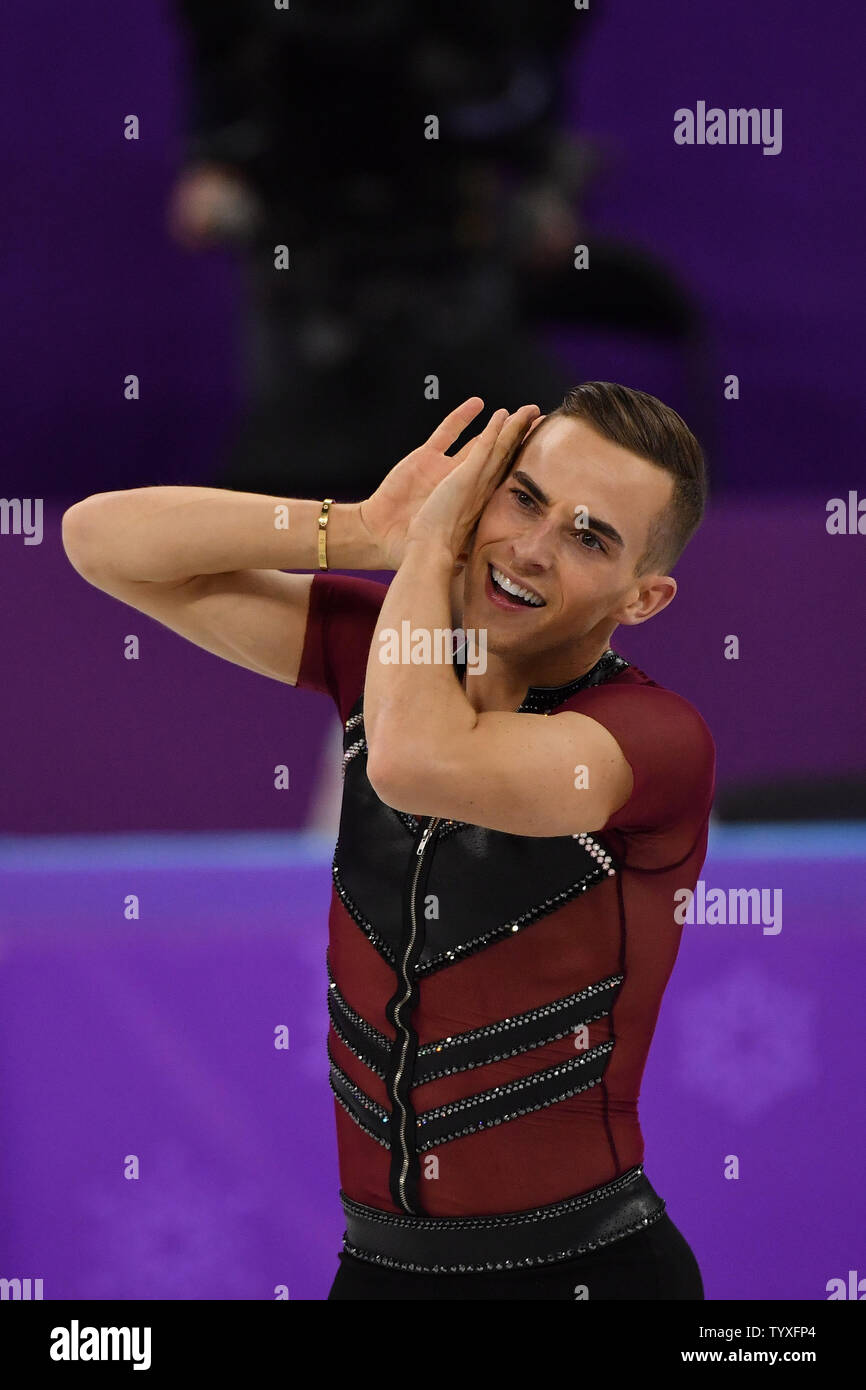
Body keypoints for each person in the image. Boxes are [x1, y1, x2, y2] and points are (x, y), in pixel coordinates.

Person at [61, 381, 714, 1300]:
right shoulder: (384, 654)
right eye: (520, 496)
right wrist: (364, 529)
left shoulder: (653, 739)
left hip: (587, 1273)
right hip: (379, 1273)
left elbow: (414, 761)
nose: (529, 549)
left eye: (588, 536)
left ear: (645, 598)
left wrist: (433, 548)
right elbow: (101, 541)